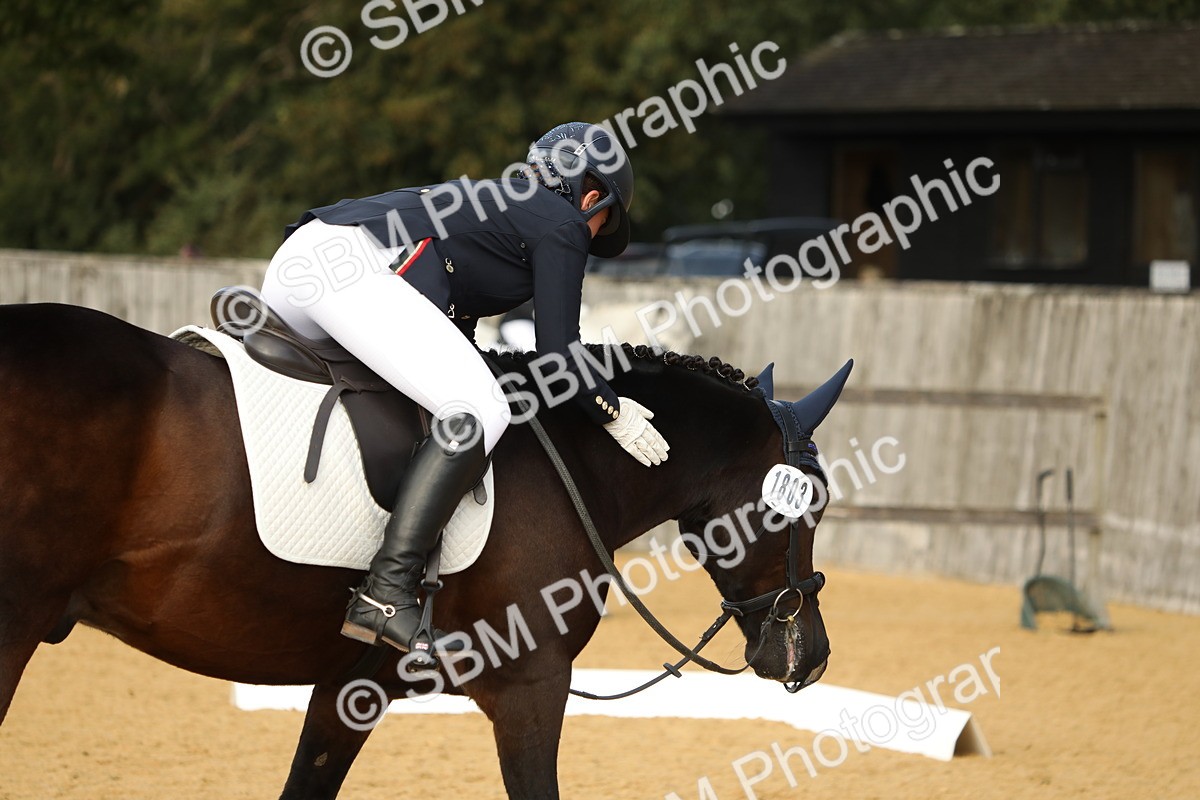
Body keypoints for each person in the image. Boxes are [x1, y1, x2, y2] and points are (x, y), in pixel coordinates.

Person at [259, 122, 670, 660]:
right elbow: (559, 353)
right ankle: (386, 593)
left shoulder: (499, 209)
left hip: (302, 263)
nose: (591, 238)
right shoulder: (564, 222)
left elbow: (458, 336)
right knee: (480, 410)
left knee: (454, 396)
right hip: (346, 270)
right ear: (589, 199)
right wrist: (612, 412)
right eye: (601, 224)